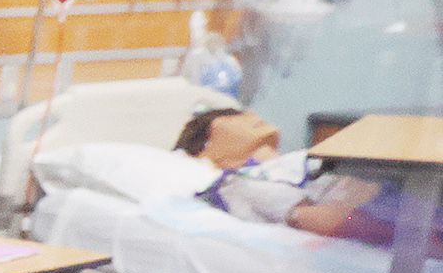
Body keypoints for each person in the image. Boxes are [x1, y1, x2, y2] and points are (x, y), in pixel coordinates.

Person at [176, 104, 425, 244]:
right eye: (231, 116)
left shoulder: (296, 162)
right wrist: (417, 235)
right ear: (204, 147)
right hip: (405, 213)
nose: (252, 115)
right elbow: (324, 220)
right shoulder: (241, 183)